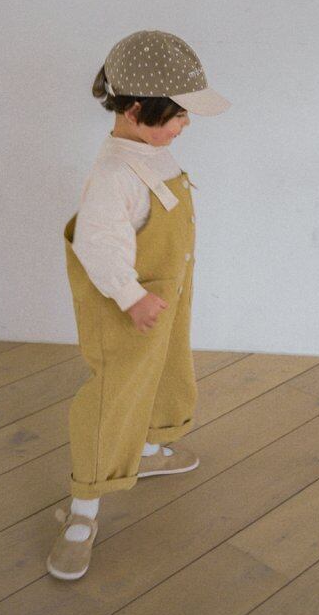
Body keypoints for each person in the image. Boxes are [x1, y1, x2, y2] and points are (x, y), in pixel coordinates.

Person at [47, 29, 231, 580]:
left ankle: (147, 452)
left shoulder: (152, 152)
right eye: (176, 114)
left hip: (164, 297)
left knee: (162, 372)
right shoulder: (114, 175)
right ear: (134, 111)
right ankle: (83, 509)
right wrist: (130, 297)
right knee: (115, 395)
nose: (185, 124)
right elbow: (97, 244)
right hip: (130, 306)